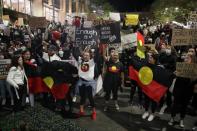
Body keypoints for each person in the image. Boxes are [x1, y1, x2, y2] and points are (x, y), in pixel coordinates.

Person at [168, 52, 196, 128]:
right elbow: (171, 76)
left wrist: (193, 79)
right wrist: (174, 74)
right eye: (185, 58)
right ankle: (172, 118)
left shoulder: (194, 69)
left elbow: (195, 81)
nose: (186, 59)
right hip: (178, 89)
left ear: (191, 60)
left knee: (184, 106)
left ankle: (181, 119)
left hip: (187, 91)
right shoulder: (179, 66)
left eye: (188, 58)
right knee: (175, 105)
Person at [77, 50, 98, 120]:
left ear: (90, 56)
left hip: (89, 83)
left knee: (90, 98)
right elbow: (75, 52)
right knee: (82, 97)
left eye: (87, 55)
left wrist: (98, 45)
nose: (85, 56)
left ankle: (94, 112)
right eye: (84, 55)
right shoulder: (80, 61)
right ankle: (81, 111)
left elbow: (97, 55)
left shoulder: (92, 62)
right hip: (81, 82)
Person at [142, 49, 159, 121]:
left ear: (155, 60)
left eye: (151, 58)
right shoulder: (146, 65)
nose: (149, 58)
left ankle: (152, 114)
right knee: (146, 100)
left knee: (153, 101)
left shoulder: (158, 67)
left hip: (154, 87)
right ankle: (146, 112)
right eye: (149, 57)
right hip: (147, 86)